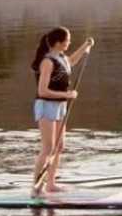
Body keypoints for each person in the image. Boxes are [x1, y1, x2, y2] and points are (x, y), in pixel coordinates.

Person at [31, 26, 94, 193]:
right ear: (58, 43)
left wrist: (85, 46)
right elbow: (42, 91)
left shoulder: (62, 58)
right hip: (46, 106)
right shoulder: (47, 62)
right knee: (48, 147)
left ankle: (50, 185)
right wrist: (67, 94)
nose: (69, 43)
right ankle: (36, 188)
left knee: (59, 146)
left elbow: (71, 61)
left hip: (60, 106)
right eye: (67, 40)